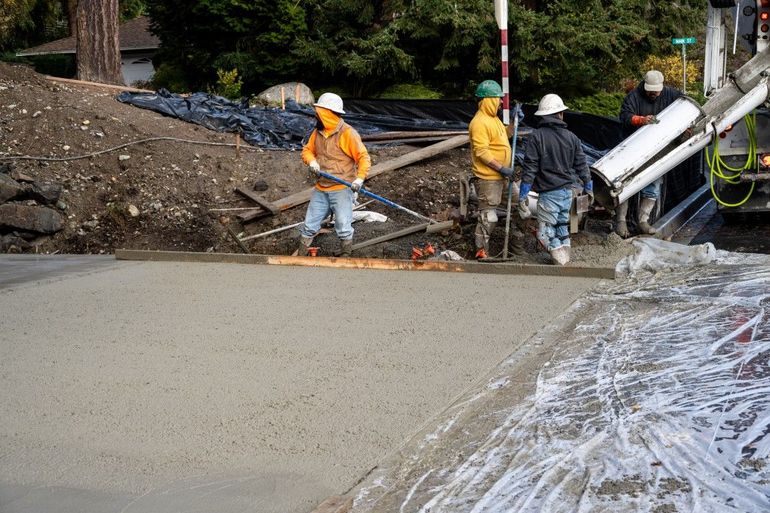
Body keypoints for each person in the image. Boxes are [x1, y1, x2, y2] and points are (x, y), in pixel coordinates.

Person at [518, 94, 593, 266]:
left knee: (545, 233)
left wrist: (523, 195)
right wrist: (588, 187)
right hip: (567, 193)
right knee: (561, 227)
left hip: (549, 194)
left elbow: (530, 168)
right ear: (560, 114)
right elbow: (582, 164)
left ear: (543, 116)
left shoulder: (537, 136)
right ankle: (564, 257)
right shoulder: (572, 137)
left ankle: (559, 260)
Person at [297, 92, 371, 257]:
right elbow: (308, 150)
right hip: (321, 187)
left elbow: (363, 157)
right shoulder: (318, 133)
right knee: (310, 224)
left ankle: (346, 254)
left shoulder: (347, 133)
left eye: (319, 112)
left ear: (327, 113)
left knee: (343, 224)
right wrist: (312, 162)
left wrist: (359, 179)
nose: (316, 115)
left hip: (341, 187)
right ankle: (301, 254)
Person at [616, 69, 683, 237]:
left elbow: (684, 105)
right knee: (625, 186)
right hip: (632, 148)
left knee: (652, 185)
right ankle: (621, 221)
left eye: (656, 91)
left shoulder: (670, 95)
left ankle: (643, 221)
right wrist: (640, 120)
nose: (653, 94)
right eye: (651, 91)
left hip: (655, 149)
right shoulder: (634, 97)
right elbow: (624, 116)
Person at [468, 79, 523, 259]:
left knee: (521, 209)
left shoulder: (494, 120)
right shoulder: (479, 122)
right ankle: (482, 253)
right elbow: (482, 152)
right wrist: (501, 168)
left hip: (504, 177)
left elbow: (505, 136)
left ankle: (516, 250)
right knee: (488, 217)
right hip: (488, 179)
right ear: (487, 100)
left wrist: (514, 123)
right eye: (498, 98)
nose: (501, 102)